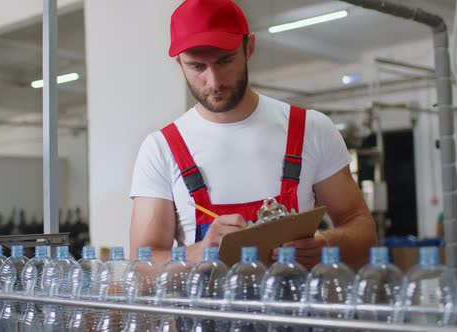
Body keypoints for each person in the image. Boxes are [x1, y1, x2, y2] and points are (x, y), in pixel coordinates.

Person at [129, 0, 377, 270]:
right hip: (207, 313)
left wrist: (327, 243)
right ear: (179, 63)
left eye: (225, 61)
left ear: (249, 47)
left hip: (290, 312)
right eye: (197, 66)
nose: (213, 81)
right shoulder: (161, 148)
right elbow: (141, 268)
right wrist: (199, 253)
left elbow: (363, 230)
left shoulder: (310, 129)